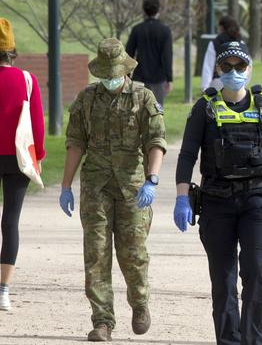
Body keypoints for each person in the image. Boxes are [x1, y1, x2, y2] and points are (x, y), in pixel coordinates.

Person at [173, 40, 262, 344]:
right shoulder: (205, 107)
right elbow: (188, 154)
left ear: (249, 68)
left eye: (239, 66)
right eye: (227, 66)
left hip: (256, 199)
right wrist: (181, 197)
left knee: (257, 272)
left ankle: (254, 340)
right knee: (224, 279)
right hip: (217, 201)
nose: (233, 72)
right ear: (218, 69)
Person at [59, 38, 166, 341]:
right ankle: (102, 320)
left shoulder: (143, 97)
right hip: (96, 186)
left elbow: (156, 140)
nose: (110, 79)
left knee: (133, 252)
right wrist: (66, 185)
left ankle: (140, 302)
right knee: (96, 254)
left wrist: (152, 179)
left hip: (133, 187)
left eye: (114, 73)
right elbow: (76, 143)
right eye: (105, 74)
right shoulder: (87, 99)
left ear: (125, 70)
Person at [0, 18, 45, 312]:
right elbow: (38, 127)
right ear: (12, 50)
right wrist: (37, 156)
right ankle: (3, 290)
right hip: (17, 158)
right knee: (10, 221)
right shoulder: (27, 80)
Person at [125, 0, 173, 106]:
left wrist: (126, 75)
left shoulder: (137, 30)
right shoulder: (165, 30)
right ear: (158, 9)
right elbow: (167, 56)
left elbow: (129, 54)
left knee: (138, 112)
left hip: (139, 77)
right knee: (156, 112)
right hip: (159, 78)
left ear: (144, 10)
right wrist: (169, 78)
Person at [201, 16, 242, 91]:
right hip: (236, 81)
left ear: (221, 27)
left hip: (218, 81)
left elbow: (208, 66)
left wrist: (205, 87)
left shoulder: (215, 43)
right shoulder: (240, 43)